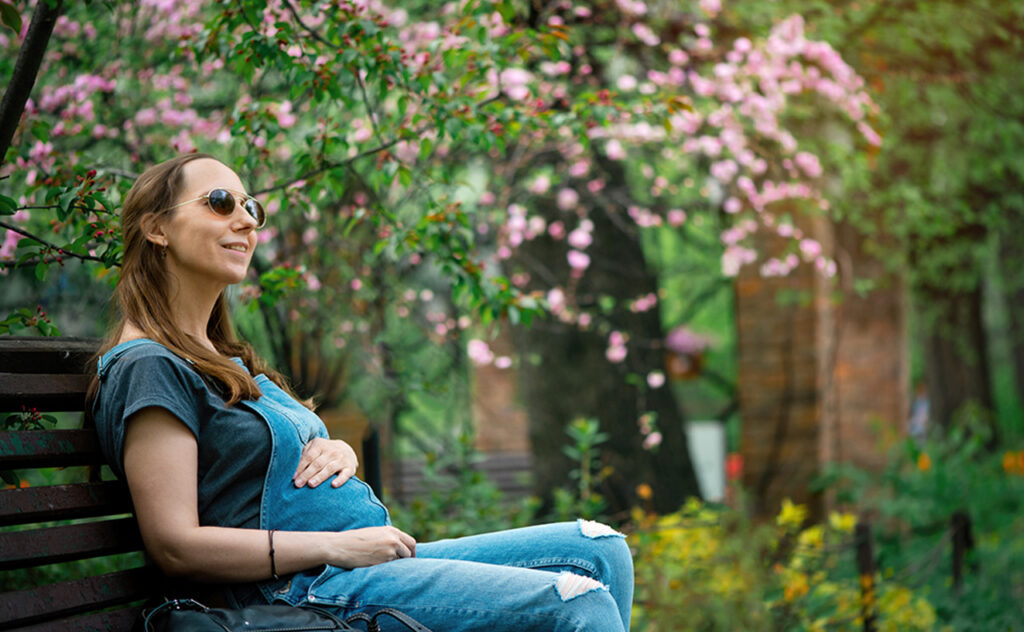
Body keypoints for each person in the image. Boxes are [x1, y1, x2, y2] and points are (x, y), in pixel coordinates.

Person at [89, 154, 633, 632]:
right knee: (576, 604)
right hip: (296, 591)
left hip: (362, 564)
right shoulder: (148, 367)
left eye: (251, 207)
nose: (245, 220)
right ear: (157, 228)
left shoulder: (219, 356)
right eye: (219, 201)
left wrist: (337, 450)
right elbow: (175, 546)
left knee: (599, 549)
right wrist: (334, 546)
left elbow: (269, 460)